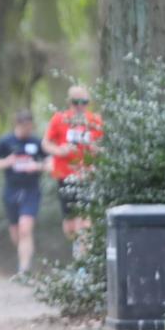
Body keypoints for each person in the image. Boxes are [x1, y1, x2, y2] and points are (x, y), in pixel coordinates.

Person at [41, 85, 103, 254]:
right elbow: (45, 143)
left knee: (84, 220)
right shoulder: (59, 119)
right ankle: (77, 248)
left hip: (87, 176)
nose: (80, 106)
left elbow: (103, 147)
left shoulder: (95, 121)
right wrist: (60, 150)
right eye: (76, 102)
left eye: (84, 102)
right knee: (69, 225)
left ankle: (83, 261)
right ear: (69, 102)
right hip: (65, 175)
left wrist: (96, 151)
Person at [0, 110, 46, 275]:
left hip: (31, 190)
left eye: (30, 126)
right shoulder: (6, 142)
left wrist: (38, 166)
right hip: (11, 190)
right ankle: (24, 255)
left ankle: (24, 269)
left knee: (25, 228)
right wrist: (7, 162)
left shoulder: (36, 142)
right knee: (15, 231)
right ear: (17, 124)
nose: (28, 130)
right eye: (25, 126)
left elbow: (50, 162)